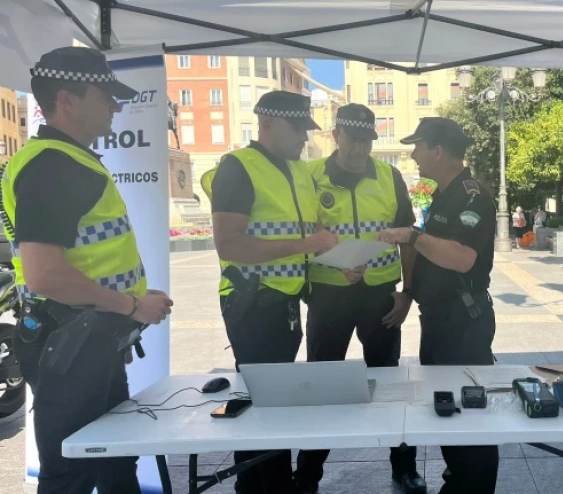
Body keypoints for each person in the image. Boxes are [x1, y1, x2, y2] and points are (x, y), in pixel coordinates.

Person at [1, 46, 174, 493]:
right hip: (74, 345)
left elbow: (82, 258)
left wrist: (132, 301)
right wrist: (133, 304)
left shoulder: (63, 161)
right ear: (68, 101)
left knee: (114, 461)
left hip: (87, 340)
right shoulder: (53, 167)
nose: (117, 107)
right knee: (72, 472)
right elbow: (45, 274)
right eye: (106, 97)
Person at [201, 91, 337, 494]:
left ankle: (259, 485)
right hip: (253, 305)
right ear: (267, 123)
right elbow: (230, 244)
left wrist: (333, 260)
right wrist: (304, 247)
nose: (303, 137)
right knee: (264, 407)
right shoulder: (238, 168)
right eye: (297, 128)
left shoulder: (297, 171)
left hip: (285, 304)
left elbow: (304, 238)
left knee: (268, 405)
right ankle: (265, 486)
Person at [293, 104, 425, 493]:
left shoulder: (389, 175)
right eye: (352, 139)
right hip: (328, 295)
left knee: (389, 382)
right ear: (336, 135)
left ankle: (404, 468)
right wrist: (331, 263)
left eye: (367, 140)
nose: (359, 148)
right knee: (323, 385)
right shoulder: (309, 175)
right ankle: (307, 476)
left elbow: (408, 238)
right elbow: (300, 233)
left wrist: (408, 295)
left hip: (380, 297)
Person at [377, 117, 499, 494]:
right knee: (446, 405)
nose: (414, 155)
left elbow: (462, 258)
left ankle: (473, 483)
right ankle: (459, 473)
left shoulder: (472, 194)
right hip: (440, 320)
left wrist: (411, 236)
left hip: (462, 322)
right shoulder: (444, 194)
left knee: (470, 408)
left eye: (418, 147)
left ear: (439, 150)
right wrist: (411, 290)